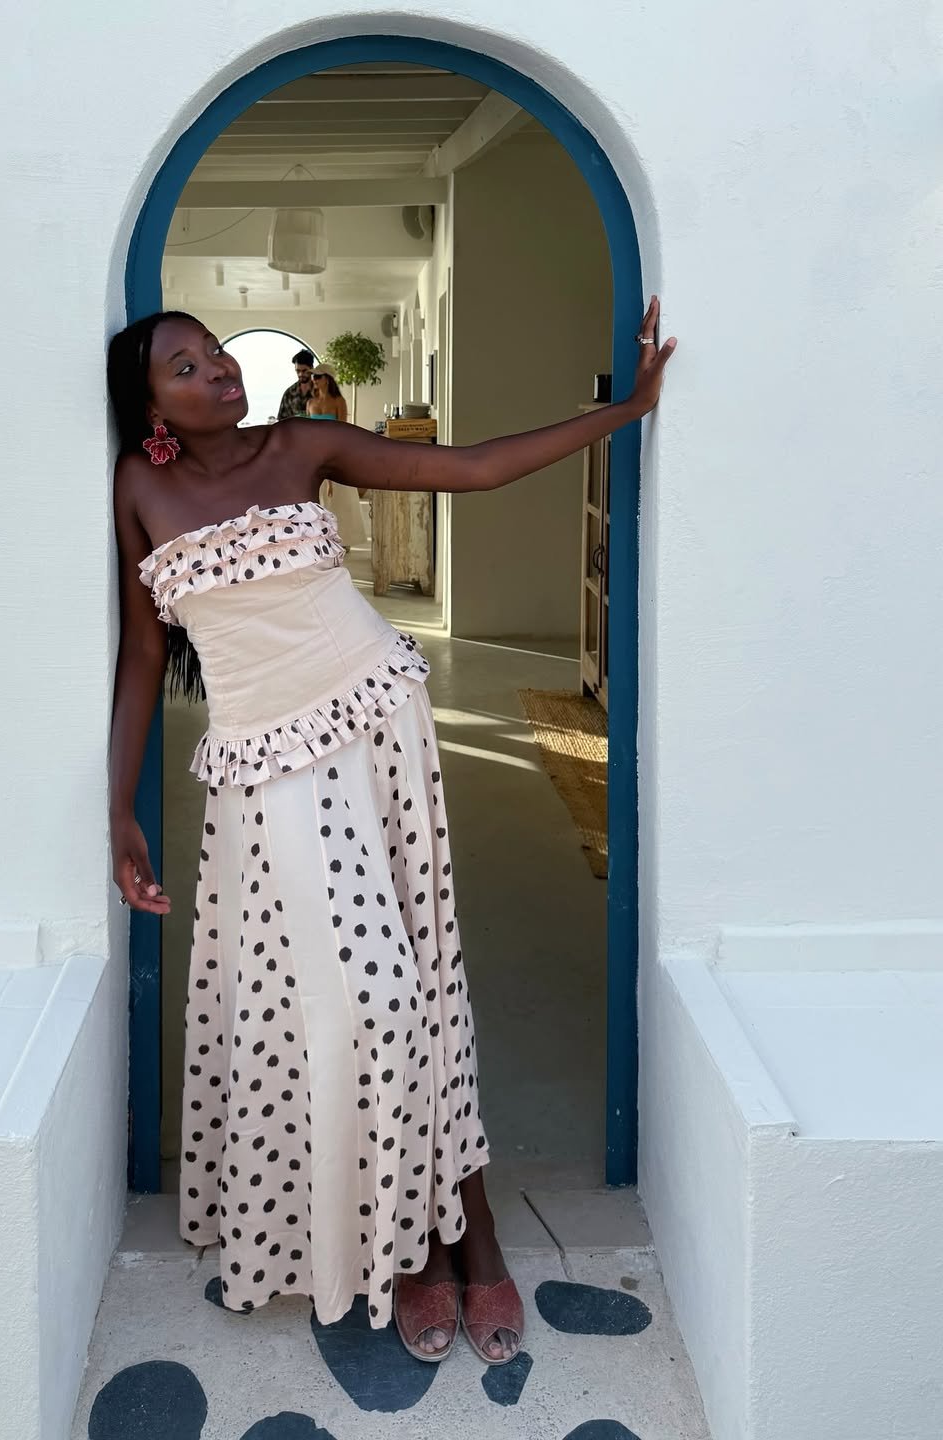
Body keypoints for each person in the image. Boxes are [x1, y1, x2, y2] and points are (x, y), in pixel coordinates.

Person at [106, 300, 675, 1367]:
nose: (217, 370)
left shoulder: (300, 445)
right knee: (365, 1004)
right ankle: (411, 1233)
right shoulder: (140, 487)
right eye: (185, 366)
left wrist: (625, 412)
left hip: (377, 723)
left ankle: (467, 1230)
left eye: (217, 352)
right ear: (153, 411)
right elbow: (144, 654)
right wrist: (118, 807)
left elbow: (475, 468)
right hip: (263, 770)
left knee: (423, 979)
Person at [304, 365, 367, 551]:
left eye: (318, 376)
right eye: (313, 377)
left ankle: (344, 537)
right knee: (318, 496)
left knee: (340, 497)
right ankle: (320, 538)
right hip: (314, 455)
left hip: (336, 453)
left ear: (327, 379)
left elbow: (343, 430)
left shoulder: (339, 401)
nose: (314, 380)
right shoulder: (311, 403)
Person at [276, 348, 315, 420]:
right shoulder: (289, 393)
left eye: (304, 371)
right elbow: (281, 420)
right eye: (298, 371)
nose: (301, 374)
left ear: (312, 368)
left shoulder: (321, 391)